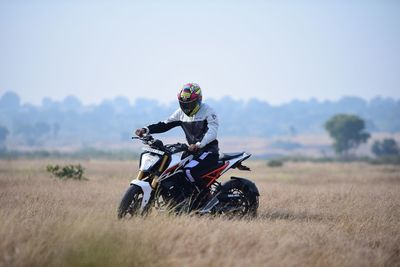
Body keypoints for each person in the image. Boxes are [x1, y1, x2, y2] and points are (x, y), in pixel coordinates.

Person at [135, 83, 219, 193]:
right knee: (176, 171)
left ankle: (207, 197)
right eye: (183, 104)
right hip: (192, 152)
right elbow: (165, 124)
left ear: (199, 99)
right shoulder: (180, 113)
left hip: (209, 152)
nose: (186, 107)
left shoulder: (208, 111)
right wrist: (146, 129)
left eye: (190, 104)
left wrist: (199, 144)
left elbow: (212, 132)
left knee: (188, 171)